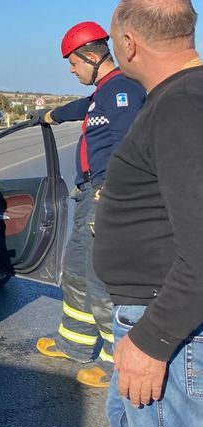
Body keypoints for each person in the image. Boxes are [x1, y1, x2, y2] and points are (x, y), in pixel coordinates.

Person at [93, 0, 203, 427]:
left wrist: (153, 340)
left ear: (128, 43)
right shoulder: (182, 98)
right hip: (163, 324)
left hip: (169, 332)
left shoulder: (181, 106)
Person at [28, 21, 146, 387]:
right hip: (89, 195)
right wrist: (52, 114)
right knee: (76, 271)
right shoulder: (102, 92)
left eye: (73, 62)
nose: (71, 68)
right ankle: (75, 343)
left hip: (106, 196)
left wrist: (110, 192)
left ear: (92, 56)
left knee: (101, 281)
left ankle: (118, 364)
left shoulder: (124, 90)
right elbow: (86, 106)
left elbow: (128, 145)